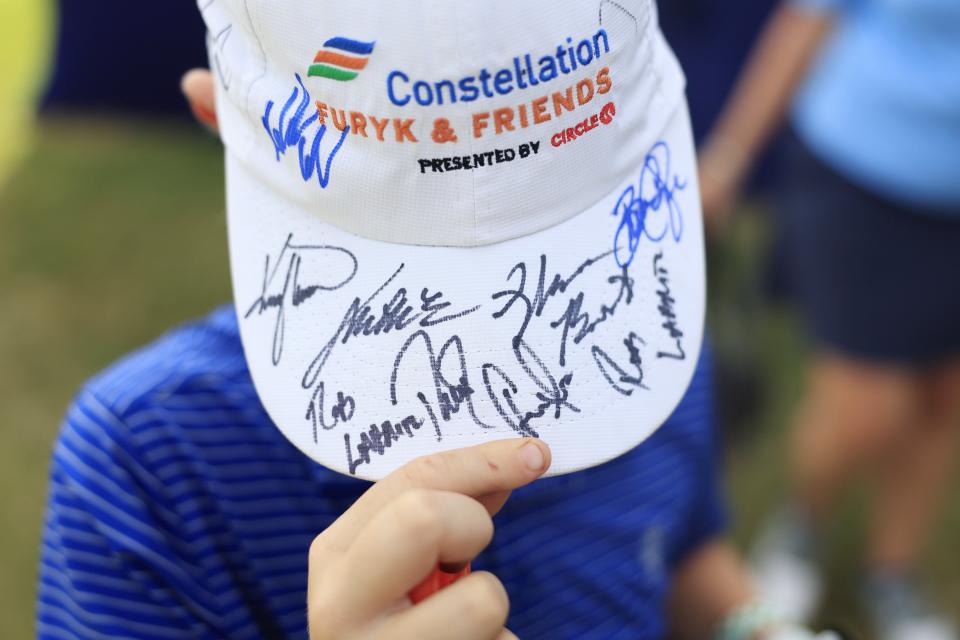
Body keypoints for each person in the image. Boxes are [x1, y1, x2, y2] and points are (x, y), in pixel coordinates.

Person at [36, 1, 838, 638]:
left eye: (563, 253)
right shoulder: (150, 472)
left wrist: (756, 626)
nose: (517, 367)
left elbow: (675, 545)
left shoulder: (640, 307)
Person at [698, 1, 960, 638]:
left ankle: (892, 572)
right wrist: (730, 154)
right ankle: (800, 528)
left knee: (944, 395)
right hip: (868, 174)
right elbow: (809, 14)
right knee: (867, 405)